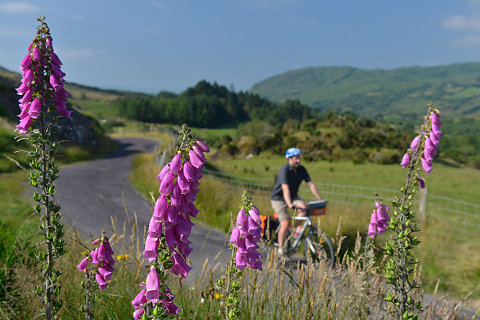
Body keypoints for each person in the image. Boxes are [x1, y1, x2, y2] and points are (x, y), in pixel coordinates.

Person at [270, 147, 323, 255]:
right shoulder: (284, 170)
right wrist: (289, 204)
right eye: (296, 158)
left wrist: (320, 199)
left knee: (304, 208)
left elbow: (311, 185)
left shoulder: (301, 169)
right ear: (289, 159)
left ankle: (293, 231)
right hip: (278, 199)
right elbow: (285, 189)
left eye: (299, 158)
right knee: (285, 222)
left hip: (293, 196)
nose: (298, 160)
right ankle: (281, 249)